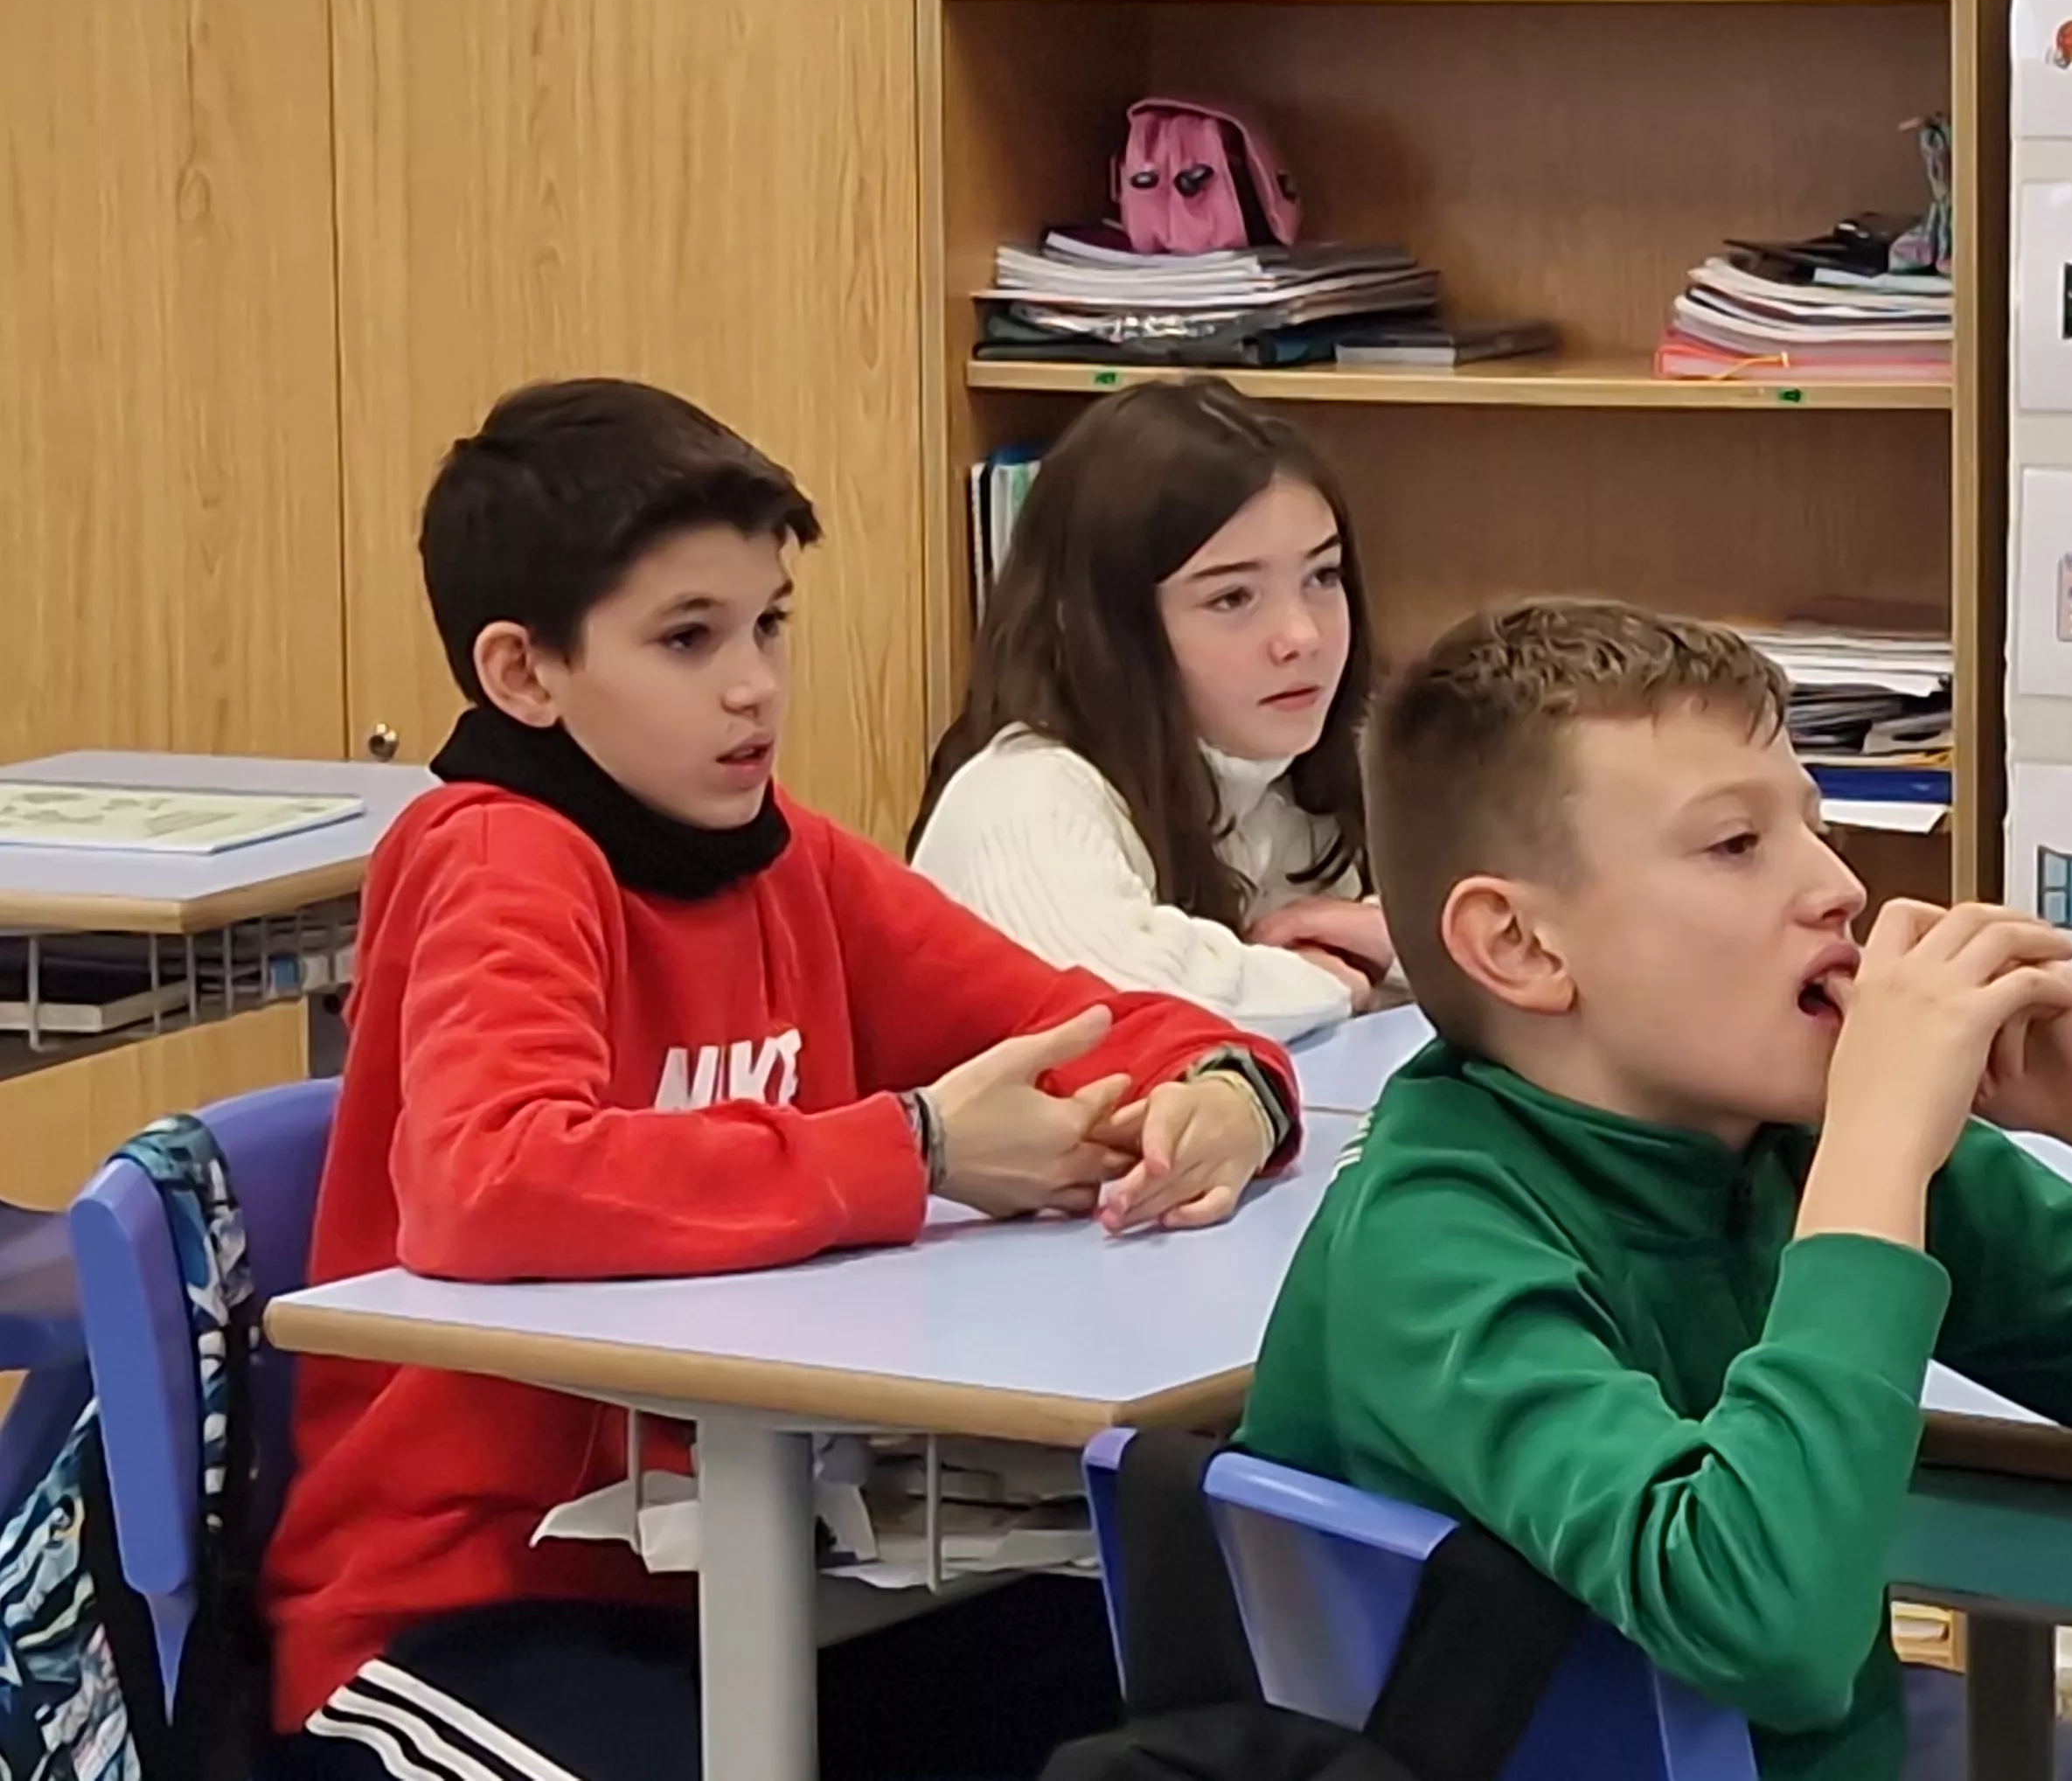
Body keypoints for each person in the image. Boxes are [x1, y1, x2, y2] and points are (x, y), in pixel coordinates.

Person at [263, 379, 1304, 1781]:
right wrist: (921, 1149)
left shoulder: (785, 856)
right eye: (687, 640)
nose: (753, 683)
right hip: (461, 1612)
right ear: (525, 674)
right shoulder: (502, 854)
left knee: (1196, 1684)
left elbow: (1086, 1022)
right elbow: (484, 1179)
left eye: (769, 624)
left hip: (755, 1579)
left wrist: (1232, 1090)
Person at [1236, 599, 2072, 1781]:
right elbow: (1771, 1630)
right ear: (1521, 946)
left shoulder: (1789, 1142)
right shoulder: (1432, 1235)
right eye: (1735, 844)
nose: (1835, 885)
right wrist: (1878, 1151)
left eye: (1811, 825)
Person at [911, 380, 1390, 1044]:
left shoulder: (1298, 769)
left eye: (1322, 577)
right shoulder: (1021, 796)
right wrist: (1328, 980)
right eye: (1232, 598)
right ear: (1104, 627)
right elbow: (1120, 999)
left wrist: (1397, 943)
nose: (1302, 636)